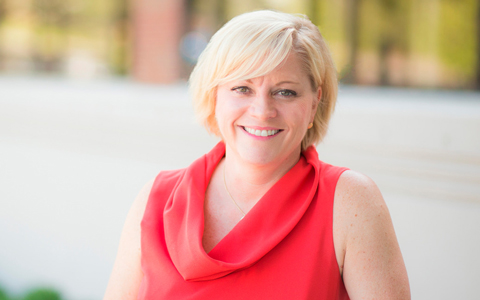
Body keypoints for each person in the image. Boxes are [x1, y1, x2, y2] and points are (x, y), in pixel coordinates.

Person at [104, 10, 410, 300]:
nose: (263, 111)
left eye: (285, 92)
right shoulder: (156, 200)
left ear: (314, 103)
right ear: (214, 96)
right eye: (242, 88)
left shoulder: (348, 201)